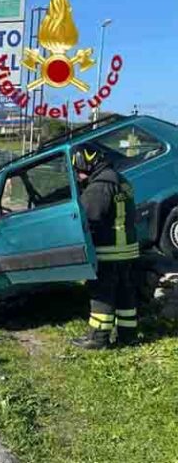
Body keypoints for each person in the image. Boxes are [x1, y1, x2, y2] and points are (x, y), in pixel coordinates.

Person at [70, 143, 140, 349]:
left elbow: (89, 218)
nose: (79, 176)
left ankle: (98, 338)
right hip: (128, 249)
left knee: (102, 294)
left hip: (109, 251)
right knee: (124, 293)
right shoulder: (121, 180)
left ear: (88, 165)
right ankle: (129, 336)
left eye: (80, 171)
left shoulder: (99, 187)